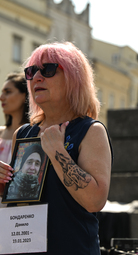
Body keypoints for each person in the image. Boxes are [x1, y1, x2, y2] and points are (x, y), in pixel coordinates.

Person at [0, 42, 113, 255]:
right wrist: (3, 185)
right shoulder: (23, 134)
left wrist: (57, 152)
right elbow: (24, 198)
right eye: (31, 72)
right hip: (25, 248)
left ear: (74, 78)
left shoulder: (91, 130)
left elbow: (95, 201)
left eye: (48, 69)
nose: (37, 77)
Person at [0, 73, 29, 207]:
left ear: (25, 95)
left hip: (21, 212)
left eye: (8, 92)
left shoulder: (36, 133)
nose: (1, 97)